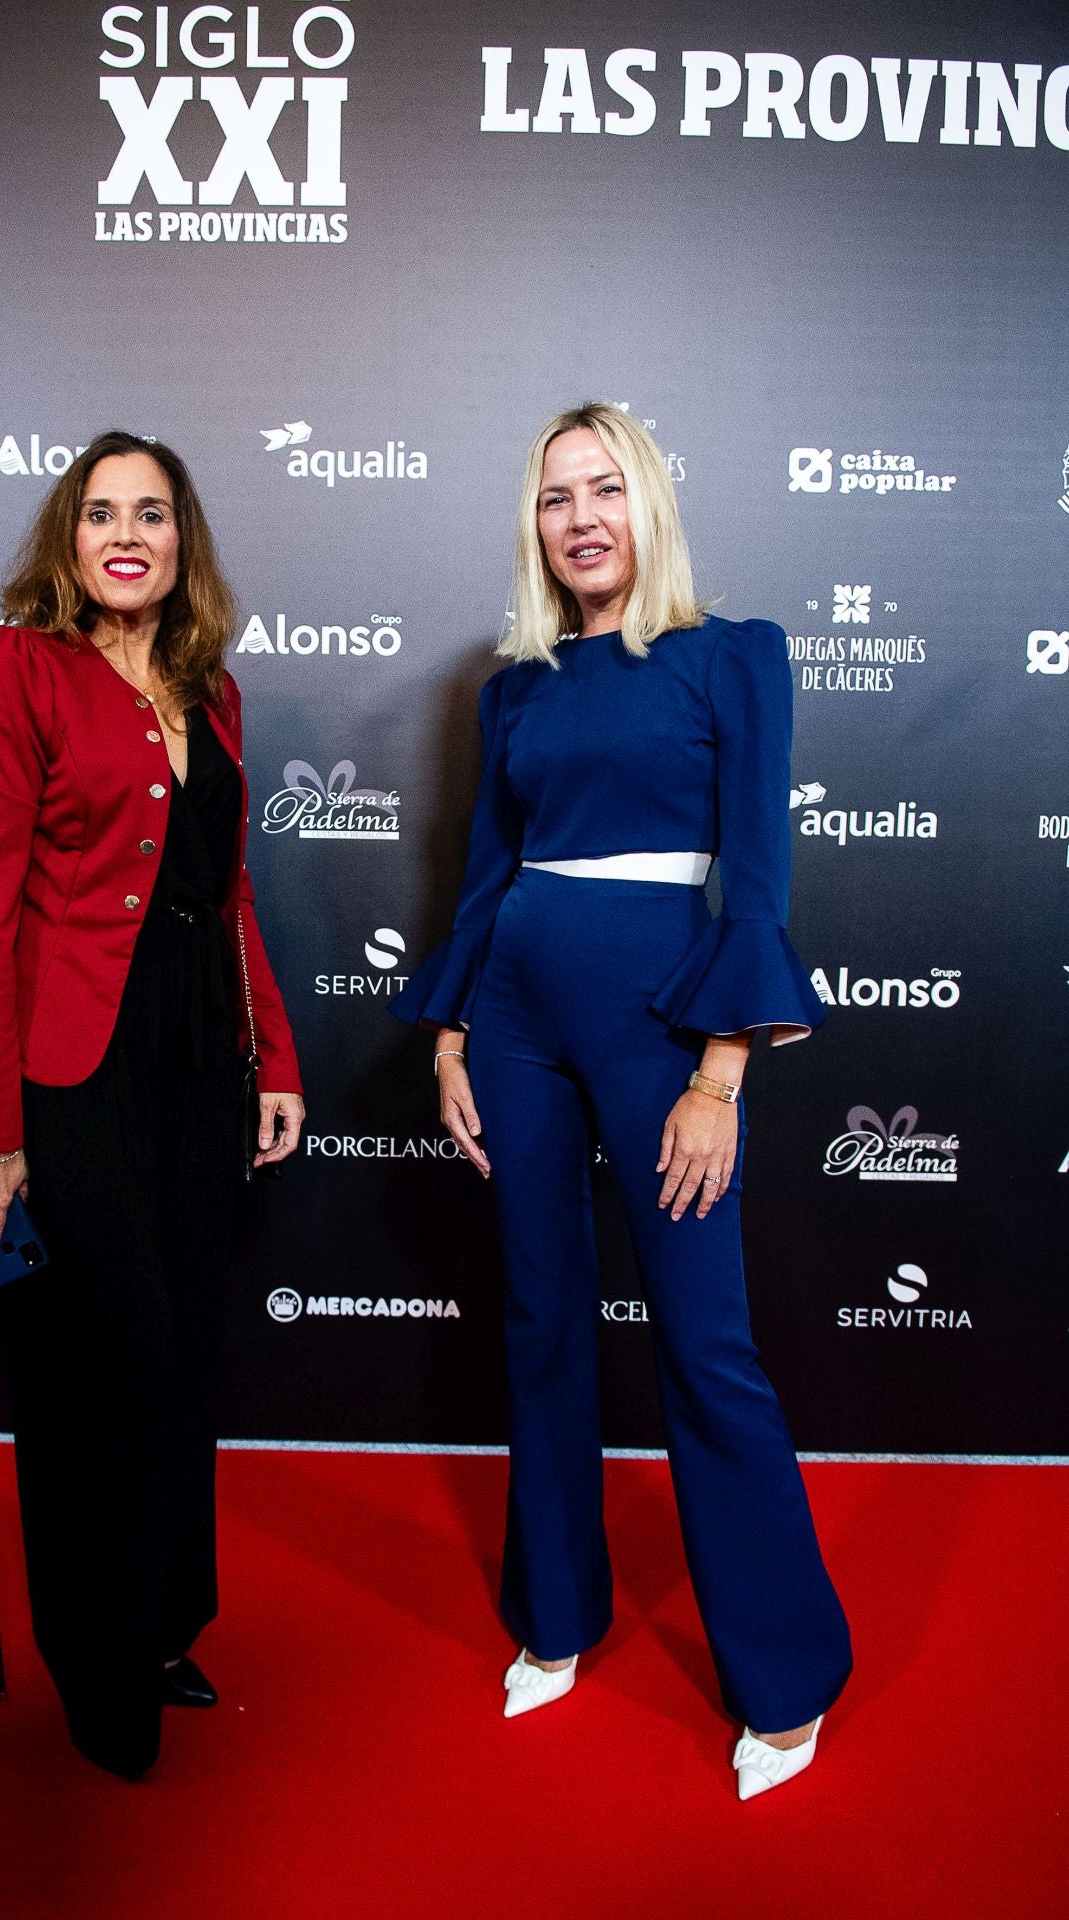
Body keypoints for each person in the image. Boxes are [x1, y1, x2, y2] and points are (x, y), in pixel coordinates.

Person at [391, 403, 850, 1800]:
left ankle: (786, 1679)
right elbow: (486, 873)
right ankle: (559, 1617)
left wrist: (724, 1068)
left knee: (706, 1345)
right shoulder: (515, 688)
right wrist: (454, 1032)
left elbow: (757, 874)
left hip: (666, 1017)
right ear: (533, 526)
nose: (580, 517)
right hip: (519, 1010)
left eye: (604, 490)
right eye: (553, 498)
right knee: (540, 1319)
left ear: (647, 503)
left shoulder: (735, 656)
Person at [0, 430, 304, 1779]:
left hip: (203, 1059)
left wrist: (273, 1059)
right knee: (109, 1357)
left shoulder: (213, 689)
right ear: (69, 539)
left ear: (180, 539)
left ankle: (158, 1622)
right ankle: (95, 1666)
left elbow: (231, 893)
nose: (126, 533)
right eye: (101, 513)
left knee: (187, 1354)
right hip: (76, 1070)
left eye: (152, 512)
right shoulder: (17, 668)